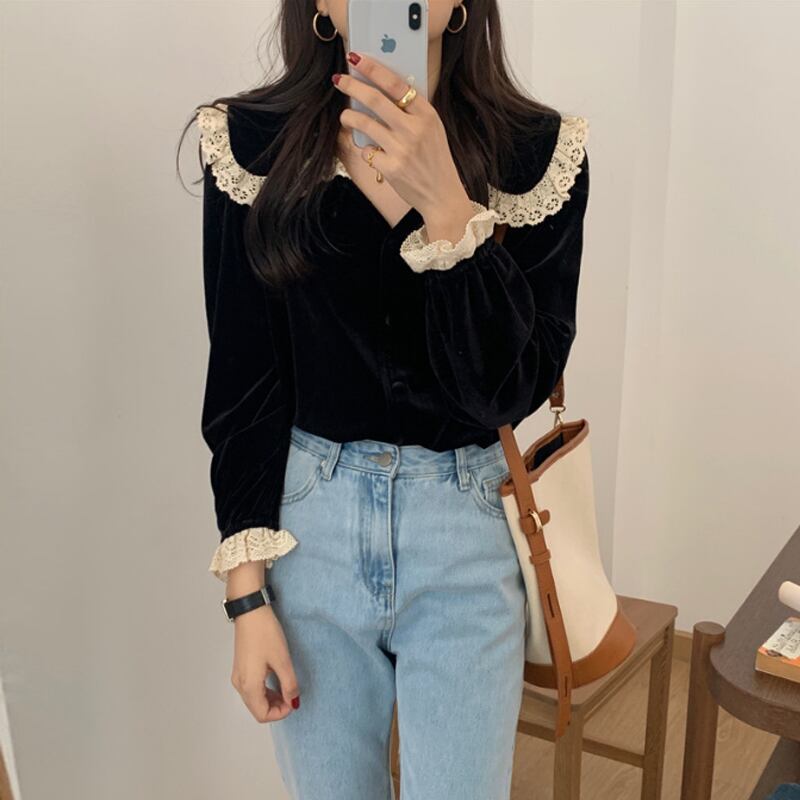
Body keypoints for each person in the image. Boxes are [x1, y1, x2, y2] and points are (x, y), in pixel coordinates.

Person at [186, 1, 589, 797]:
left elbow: (510, 391)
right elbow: (243, 383)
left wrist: (447, 207)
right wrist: (246, 597)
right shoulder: (250, 143)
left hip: (468, 530)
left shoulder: (536, 152)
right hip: (309, 534)